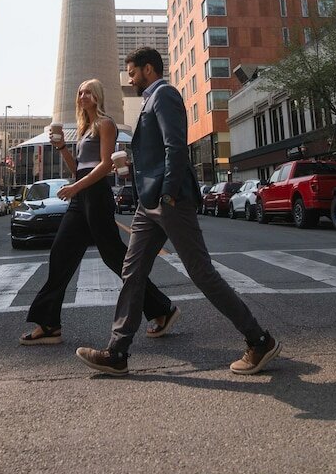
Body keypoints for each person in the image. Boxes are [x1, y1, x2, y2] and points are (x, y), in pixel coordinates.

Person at [75, 47, 281, 376]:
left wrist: (168, 193)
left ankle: (259, 340)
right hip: (148, 203)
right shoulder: (149, 100)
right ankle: (117, 352)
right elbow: (158, 151)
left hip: (168, 201)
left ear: (148, 69)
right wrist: (134, 169)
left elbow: (175, 146)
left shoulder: (165, 94)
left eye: (132, 72)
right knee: (132, 271)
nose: (129, 78)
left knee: (201, 273)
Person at [20, 78, 179, 345]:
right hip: (82, 196)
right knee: (61, 254)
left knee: (115, 257)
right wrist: (60, 148)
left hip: (95, 196)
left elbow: (105, 165)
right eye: (80, 92)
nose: (83, 96)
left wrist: (75, 189)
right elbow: (78, 168)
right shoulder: (84, 129)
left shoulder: (105, 124)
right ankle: (49, 325)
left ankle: (162, 309)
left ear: (98, 96)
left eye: (88, 92)